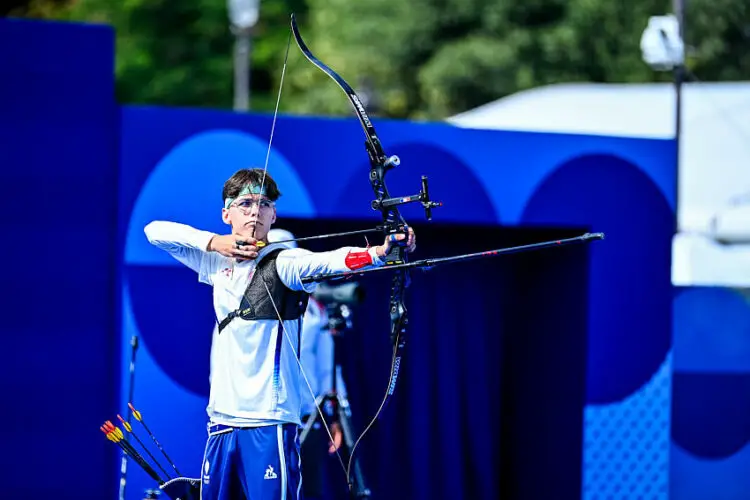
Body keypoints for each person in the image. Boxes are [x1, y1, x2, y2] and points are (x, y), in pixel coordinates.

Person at [143, 168, 416, 500]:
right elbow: (153, 231)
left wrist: (381, 252)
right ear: (226, 214)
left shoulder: (286, 262)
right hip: (221, 424)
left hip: (268, 422)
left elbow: (330, 262)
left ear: (274, 214)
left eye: (263, 204)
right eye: (244, 204)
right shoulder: (214, 261)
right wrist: (215, 242)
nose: (255, 211)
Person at [267, 228, 347, 500]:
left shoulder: (315, 310)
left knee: (309, 490)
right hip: (262, 420)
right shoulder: (243, 305)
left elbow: (328, 366)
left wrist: (335, 417)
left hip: (306, 418)